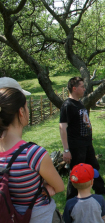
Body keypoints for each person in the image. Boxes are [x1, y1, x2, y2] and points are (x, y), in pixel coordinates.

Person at [0, 77, 64, 222]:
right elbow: (59, 186)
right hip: (39, 216)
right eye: (27, 106)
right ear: (21, 112)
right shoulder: (33, 154)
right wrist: (44, 188)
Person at [60, 77, 105, 200]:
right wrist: (66, 150)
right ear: (74, 88)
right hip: (76, 145)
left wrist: (87, 135)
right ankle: (71, 198)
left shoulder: (79, 103)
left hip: (86, 143)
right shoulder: (67, 105)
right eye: (82, 86)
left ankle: (100, 189)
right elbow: (62, 127)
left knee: (93, 167)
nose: (84, 89)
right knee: (76, 171)